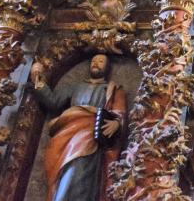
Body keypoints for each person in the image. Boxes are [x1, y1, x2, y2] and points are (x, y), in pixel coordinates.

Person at [30, 54, 126, 201]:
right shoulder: (76, 86)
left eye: (100, 61)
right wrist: (37, 79)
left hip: (92, 137)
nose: (95, 63)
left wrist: (117, 123)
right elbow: (54, 102)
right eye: (93, 61)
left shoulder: (113, 89)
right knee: (65, 173)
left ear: (107, 67)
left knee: (82, 174)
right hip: (69, 135)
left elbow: (120, 113)